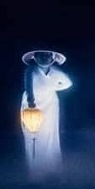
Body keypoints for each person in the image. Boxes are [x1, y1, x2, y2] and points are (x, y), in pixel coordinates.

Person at [20, 49, 72, 178]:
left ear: (53, 58)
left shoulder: (56, 72)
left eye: (47, 55)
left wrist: (52, 88)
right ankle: (35, 171)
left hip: (50, 105)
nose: (44, 57)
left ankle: (50, 169)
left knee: (49, 135)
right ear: (35, 57)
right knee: (32, 137)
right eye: (41, 55)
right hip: (31, 106)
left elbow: (68, 83)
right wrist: (31, 102)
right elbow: (28, 86)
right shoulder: (31, 70)